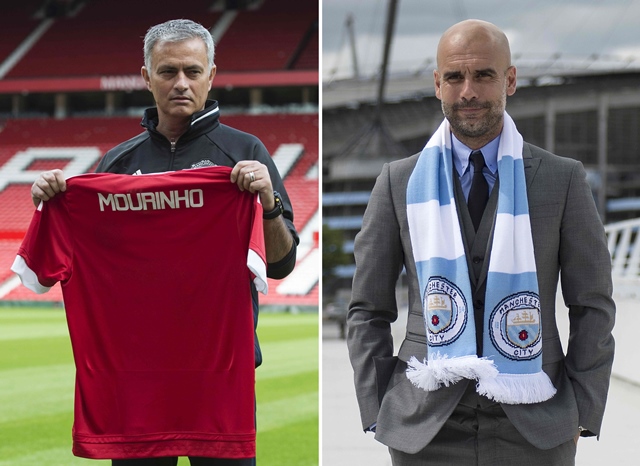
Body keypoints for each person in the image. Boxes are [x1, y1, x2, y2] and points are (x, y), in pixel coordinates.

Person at [28, 19, 299, 466]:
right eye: (168, 71)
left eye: (193, 72)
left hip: (219, 373)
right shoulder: (116, 163)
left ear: (211, 76)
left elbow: (282, 264)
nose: (181, 83)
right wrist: (54, 200)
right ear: (145, 77)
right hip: (135, 376)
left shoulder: (246, 152)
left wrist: (267, 202)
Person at [347, 19, 615, 466]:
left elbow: (593, 304)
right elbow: (367, 309)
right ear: (437, 84)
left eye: (483, 75)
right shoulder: (397, 181)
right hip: (423, 425)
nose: (468, 91)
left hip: (537, 421)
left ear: (509, 79)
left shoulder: (562, 179)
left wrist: (582, 411)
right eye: (454, 77)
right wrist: (378, 409)